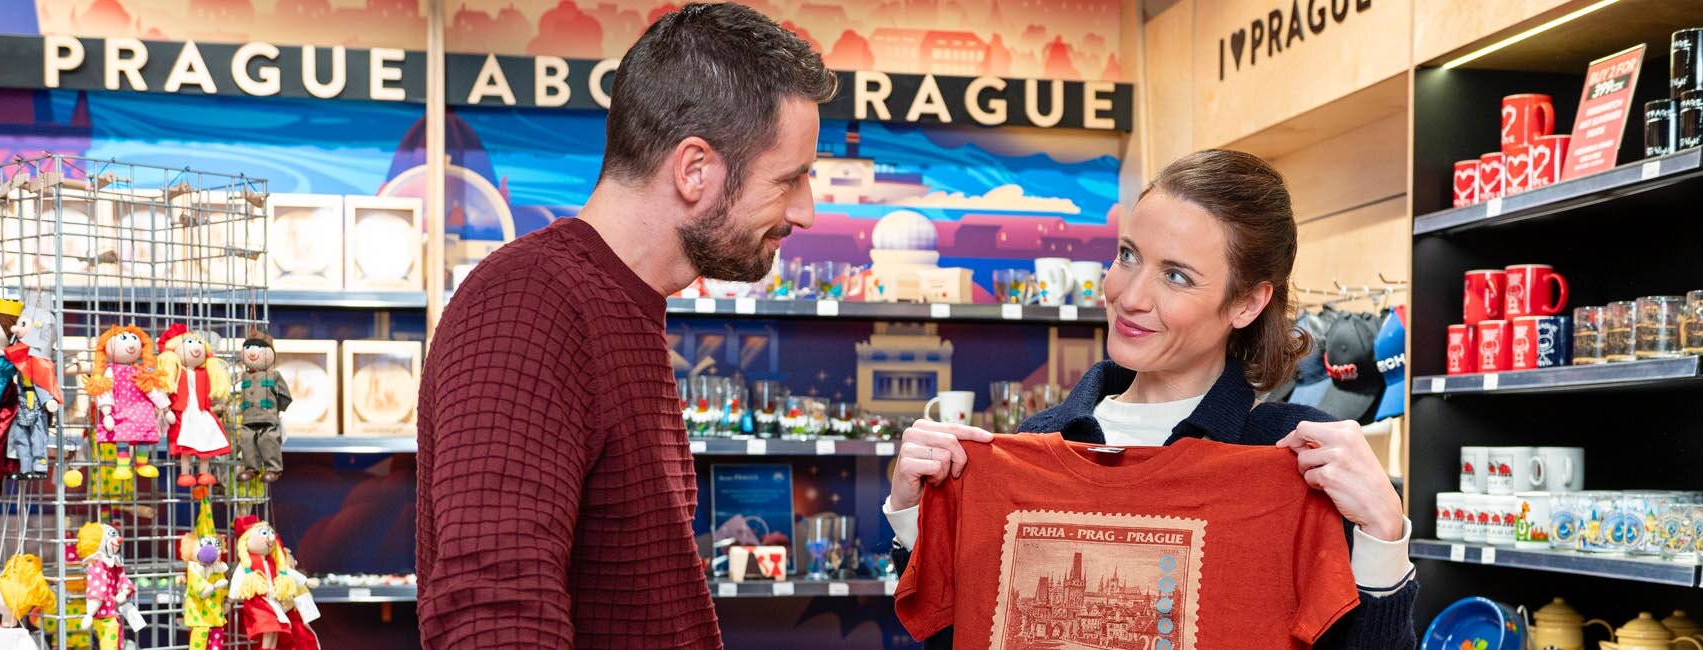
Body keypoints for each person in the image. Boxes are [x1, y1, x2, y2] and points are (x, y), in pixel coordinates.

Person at [415, 4, 835, 649]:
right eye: (789, 180)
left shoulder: (614, 301)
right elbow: (493, 613)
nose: (805, 212)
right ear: (694, 169)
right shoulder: (528, 304)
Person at [885, 149, 1417, 648]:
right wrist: (918, 521)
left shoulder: (1290, 460)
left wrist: (1383, 538)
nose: (1131, 296)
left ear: (1247, 303)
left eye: (1176, 276)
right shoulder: (1035, 444)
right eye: (1128, 256)